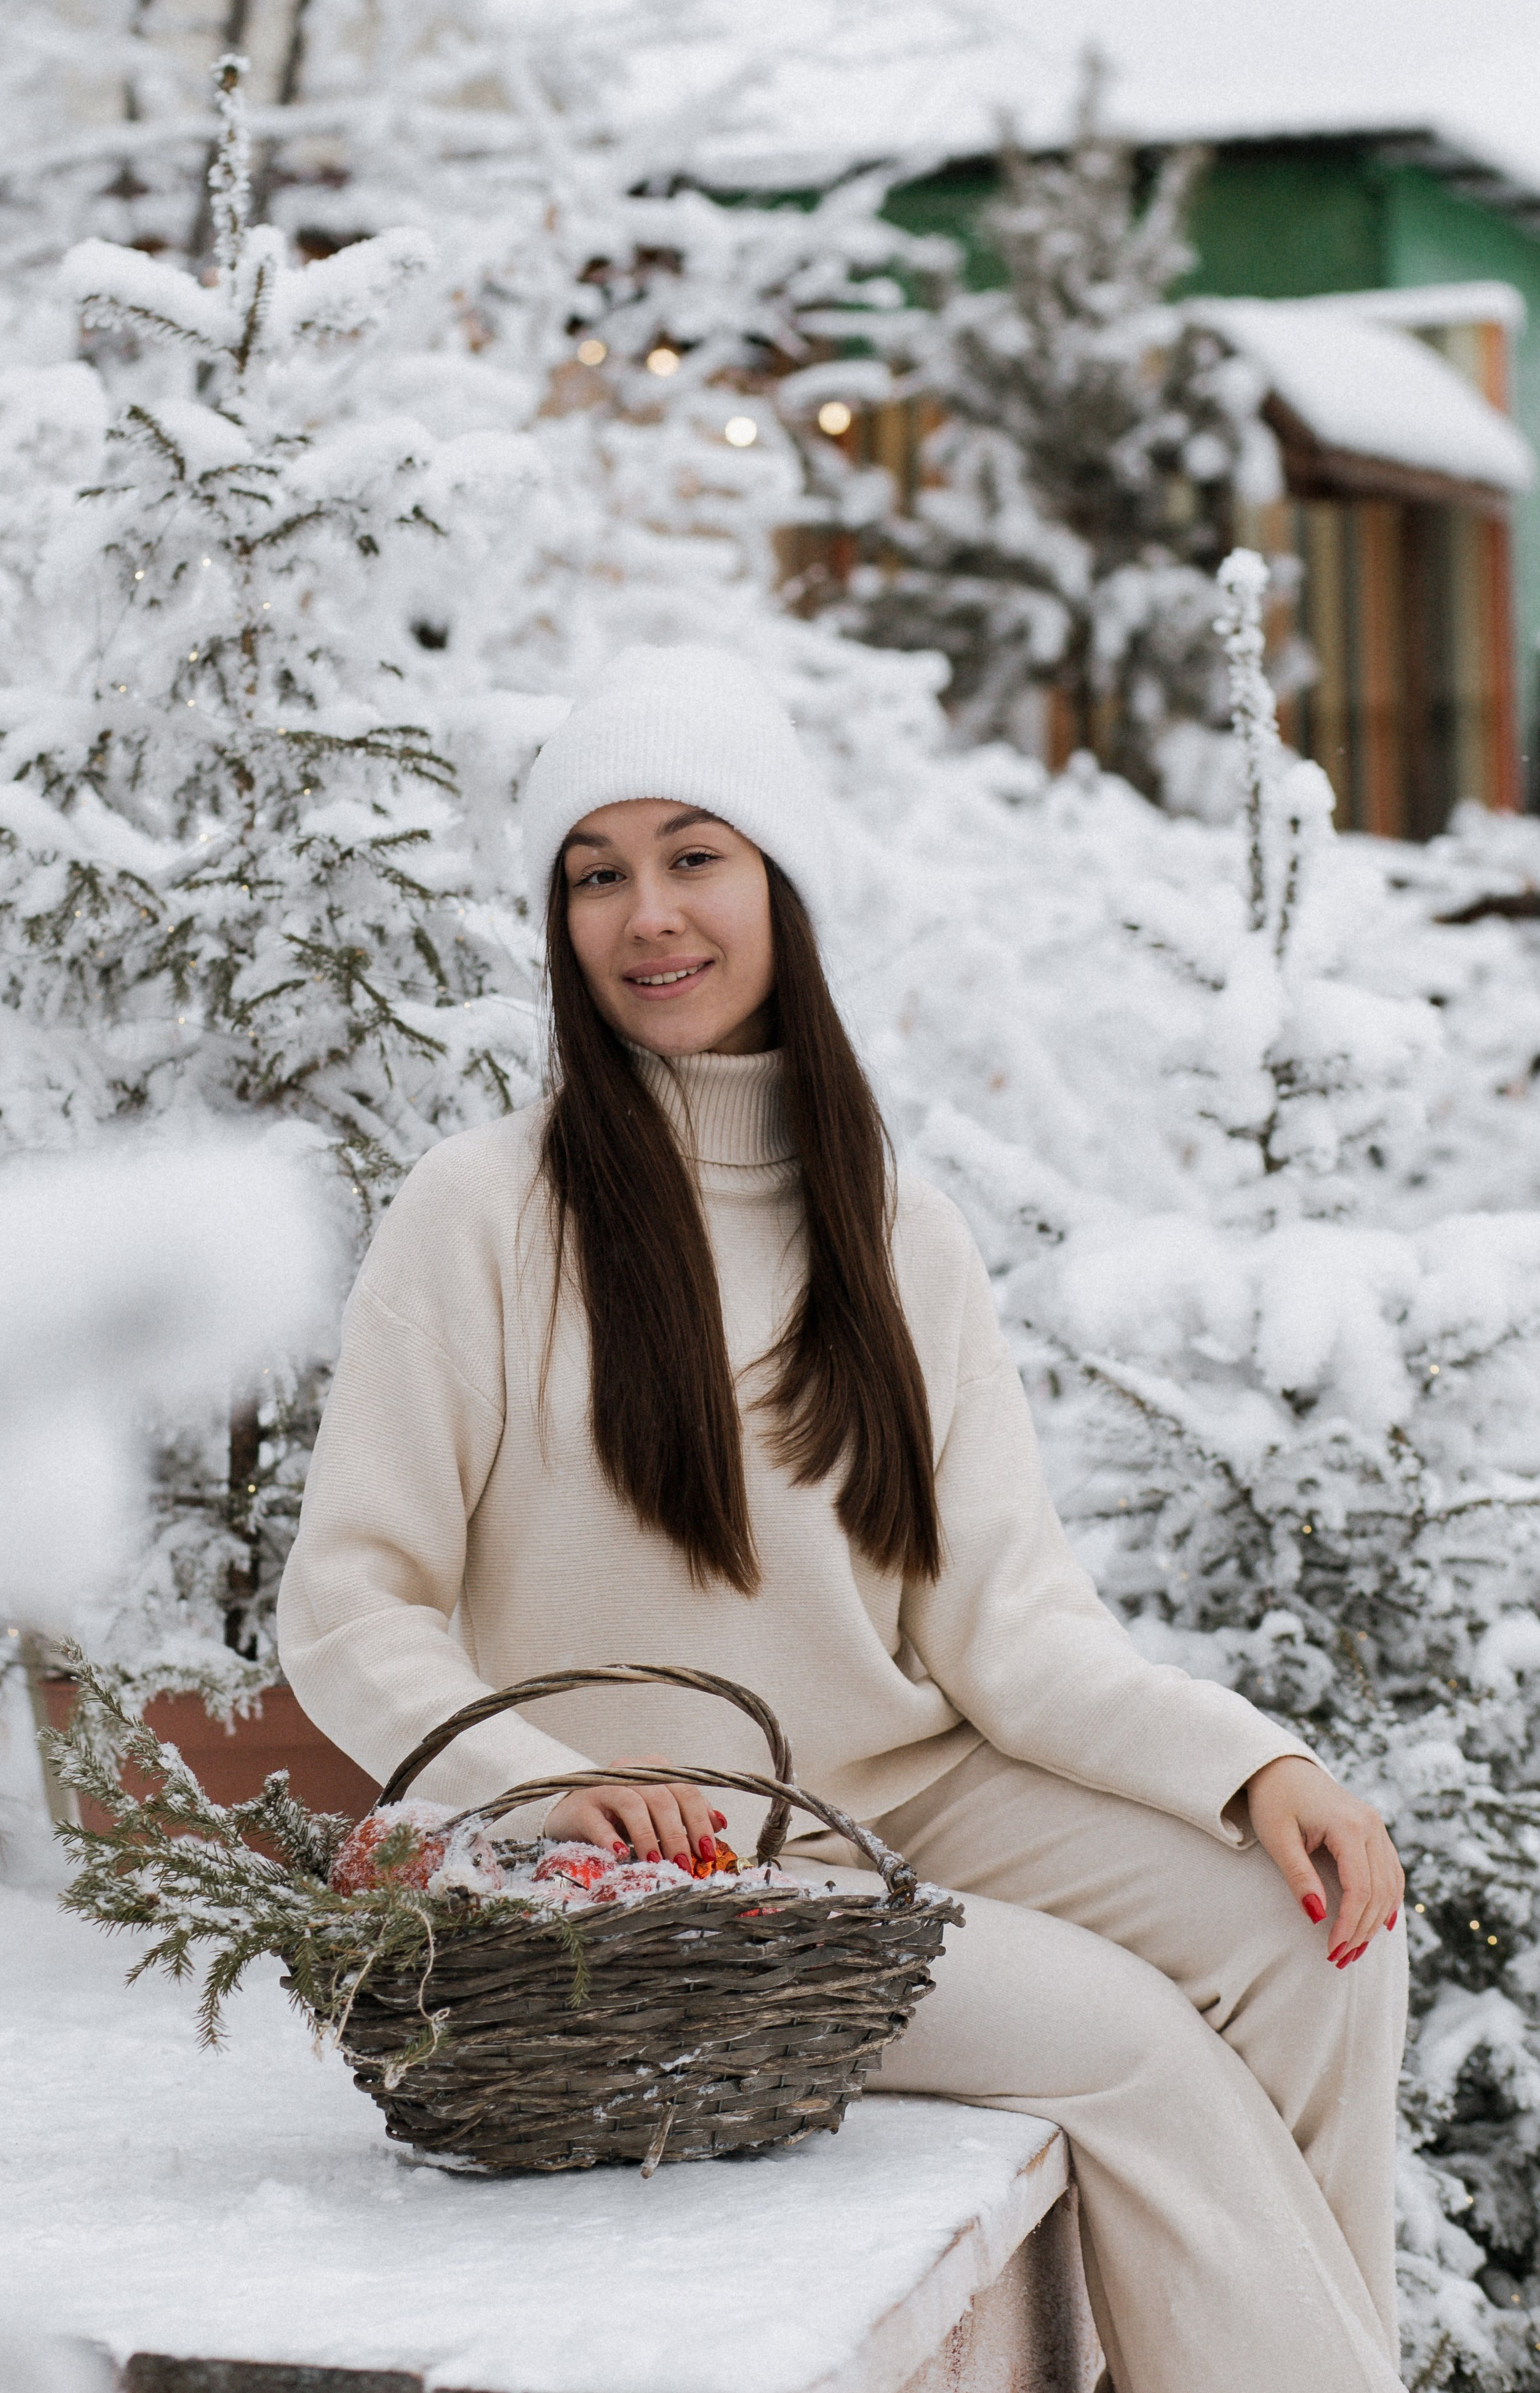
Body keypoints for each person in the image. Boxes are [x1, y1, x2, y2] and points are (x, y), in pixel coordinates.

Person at [279, 645, 1408, 2393]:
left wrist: (1250, 1767)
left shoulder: (893, 1223)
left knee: (1315, 1942)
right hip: (672, 1874)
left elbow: (1012, 1629)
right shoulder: (483, 1212)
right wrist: (545, 1783)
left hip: (907, 1794)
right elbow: (354, 1601)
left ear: (782, 884)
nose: (648, 913)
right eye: (598, 871)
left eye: (694, 854)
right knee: (1129, 2046)